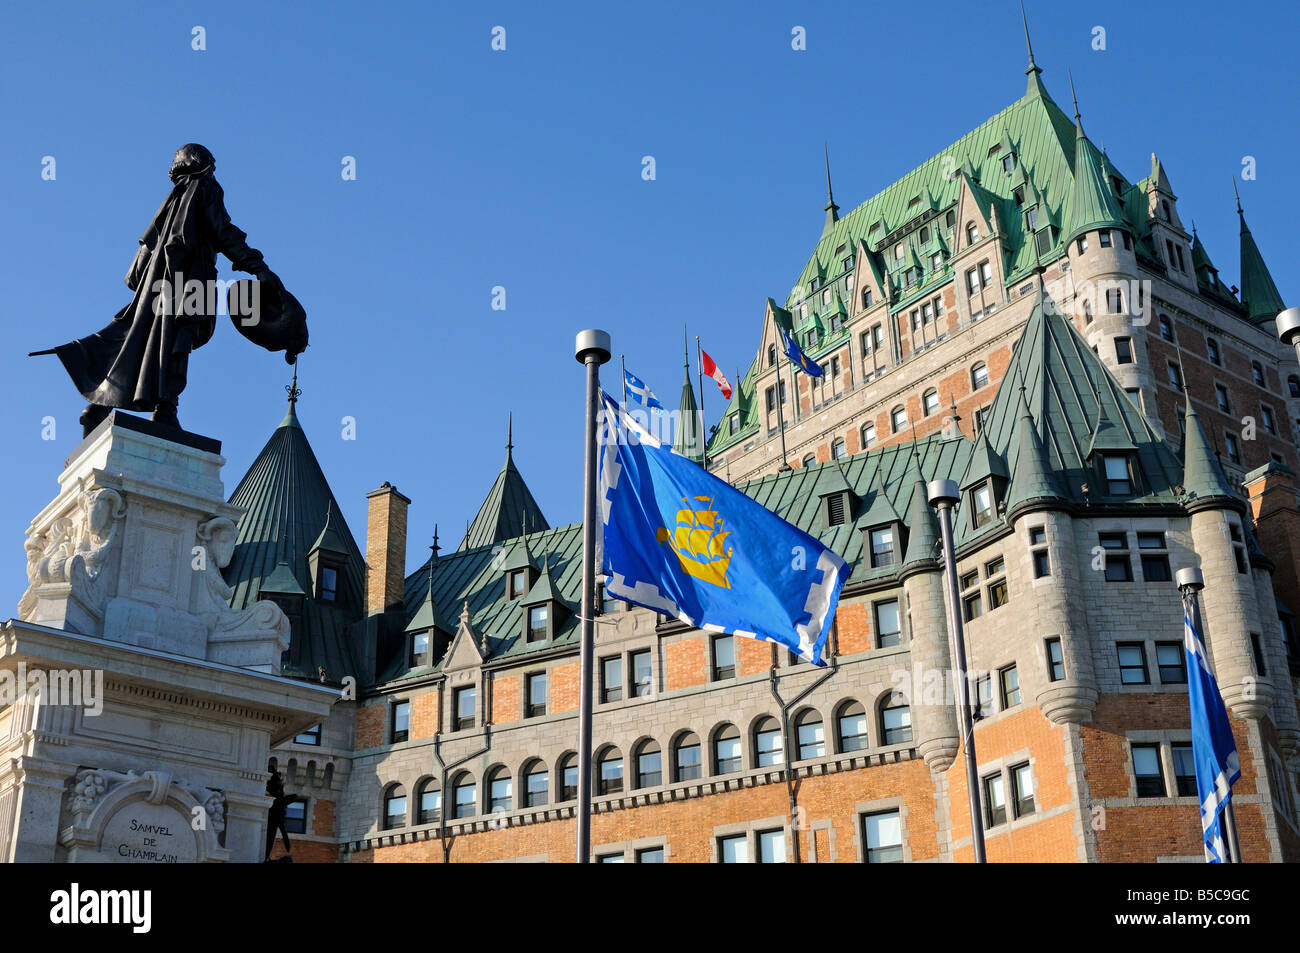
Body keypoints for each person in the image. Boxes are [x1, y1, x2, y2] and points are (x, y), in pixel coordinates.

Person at [33, 143, 304, 434]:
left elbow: (140, 260)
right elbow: (223, 231)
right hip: (191, 279)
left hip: (157, 284)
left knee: (144, 340)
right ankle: (166, 409)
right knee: (178, 341)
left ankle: (100, 407)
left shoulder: (172, 199)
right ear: (201, 164)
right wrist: (259, 267)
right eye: (210, 163)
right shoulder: (206, 188)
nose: (213, 169)